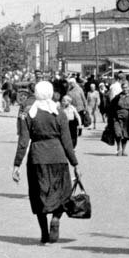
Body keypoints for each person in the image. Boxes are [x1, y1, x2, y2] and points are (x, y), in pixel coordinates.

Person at [12, 81, 81, 244]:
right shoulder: (59, 113)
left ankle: (44, 232)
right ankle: (56, 219)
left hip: (37, 158)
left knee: (39, 195)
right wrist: (75, 164)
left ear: (36, 94)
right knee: (62, 192)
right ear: (50, 93)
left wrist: (16, 165)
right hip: (58, 157)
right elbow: (67, 141)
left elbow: (23, 141)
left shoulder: (30, 114)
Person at [109, 79, 129, 156]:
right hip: (117, 117)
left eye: (126, 87)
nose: (125, 89)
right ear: (121, 88)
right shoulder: (117, 97)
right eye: (123, 88)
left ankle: (123, 150)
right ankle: (118, 148)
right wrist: (112, 116)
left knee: (126, 134)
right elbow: (111, 106)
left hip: (128, 118)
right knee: (118, 133)